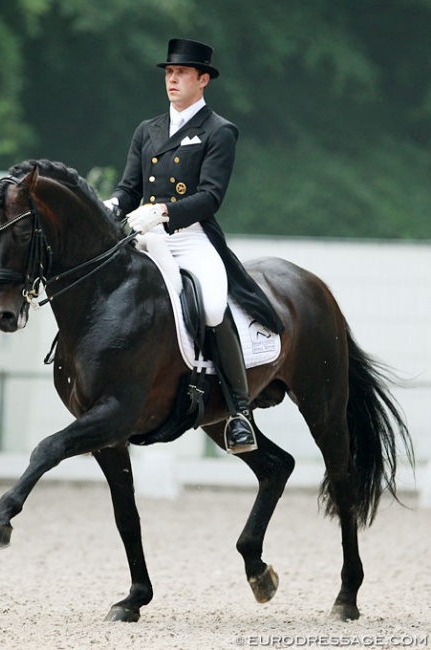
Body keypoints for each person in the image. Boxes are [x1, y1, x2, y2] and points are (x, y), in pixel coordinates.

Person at [105, 38, 283, 454]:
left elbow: (211, 196)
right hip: (143, 234)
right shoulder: (146, 129)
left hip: (189, 236)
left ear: (203, 80)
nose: (173, 79)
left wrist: (164, 212)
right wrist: (111, 205)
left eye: (182, 73)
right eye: (169, 72)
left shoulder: (219, 131)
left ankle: (239, 412)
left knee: (211, 305)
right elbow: (129, 188)